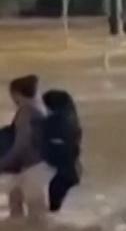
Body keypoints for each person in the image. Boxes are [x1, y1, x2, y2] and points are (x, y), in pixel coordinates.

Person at [0, 75, 51, 219]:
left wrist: (3, 163)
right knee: (17, 201)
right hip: (38, 166)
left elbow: (22, 144)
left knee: (36, 213)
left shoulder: (26, 112)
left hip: (33, 167)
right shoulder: (41, 108)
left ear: (16, 94)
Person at [40, 90, 81, 212]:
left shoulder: (54, 122)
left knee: (53, 207)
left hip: (61, 174)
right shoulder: (72, 120)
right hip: (72, 170)